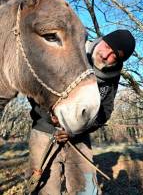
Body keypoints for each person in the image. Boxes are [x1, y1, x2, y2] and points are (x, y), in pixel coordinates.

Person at [28, 29, 135, 195]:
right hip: (45, 131)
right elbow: (35, 83)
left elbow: (105, 111)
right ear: (101, 40)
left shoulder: (112, 75)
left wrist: (77, 129)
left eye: (114, 55)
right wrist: (49, 114)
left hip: (79, 137)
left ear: (119, 61)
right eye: (106, 46)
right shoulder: (70, 50)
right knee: (45, 189)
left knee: (87, 191)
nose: (105, 55)